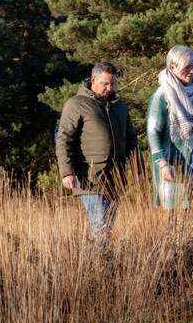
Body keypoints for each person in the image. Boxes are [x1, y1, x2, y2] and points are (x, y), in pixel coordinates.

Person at [56, 61, 140, 252]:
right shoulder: (77, 104)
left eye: (112, 84)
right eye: (105, 84)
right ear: (93, 80)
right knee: (101, 226)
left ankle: (99, 266)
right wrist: (67, 172)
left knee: (106, 227)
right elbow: (63, 140)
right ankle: (100, 264)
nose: (109, 88)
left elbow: (132, 141)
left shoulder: (119, 107)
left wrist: (138, 168)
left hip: (115, 179)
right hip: (90, 179)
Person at [147, 45, 193, 250]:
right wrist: (163, 164)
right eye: (186, 67)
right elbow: (153, 133)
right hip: (176, 163)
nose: (192, 71)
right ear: (172, 67)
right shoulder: (162, 95)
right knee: (176, 218)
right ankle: (168, 256)